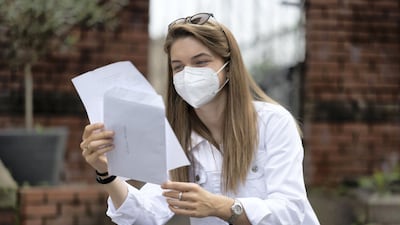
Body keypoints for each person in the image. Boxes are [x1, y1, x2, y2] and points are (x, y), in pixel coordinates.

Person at [80, 12, 320, 225]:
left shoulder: (273, 123)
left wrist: (221, 207)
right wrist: (106, 172)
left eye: (201, 62)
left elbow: (291, 213)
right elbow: (146, 215)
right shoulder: (176, 137)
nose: (188, 75)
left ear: (228, 66)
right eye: (178, 67)